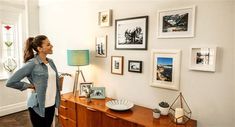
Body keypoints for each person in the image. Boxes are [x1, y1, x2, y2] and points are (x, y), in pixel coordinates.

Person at [6, 35, 60, 127]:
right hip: (38, 107)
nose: (51, 46)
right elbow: (11, 82)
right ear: (40, 48)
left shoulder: (51, 62)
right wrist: (30, 86)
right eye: (48, 44)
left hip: (51, 104)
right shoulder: (32, 63)